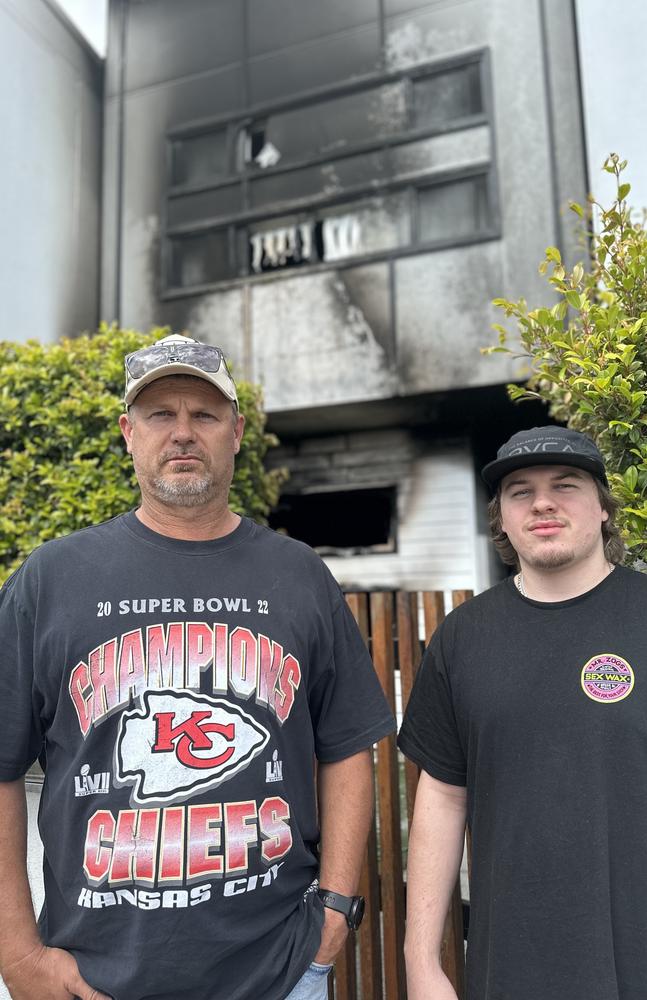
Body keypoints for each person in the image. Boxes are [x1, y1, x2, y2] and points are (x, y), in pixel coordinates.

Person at [0, 334, 394, 1000]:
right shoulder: (52, 580)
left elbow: (348, 747)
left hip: (279, 973)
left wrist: (335, 911)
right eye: (161, 415)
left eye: (205, 415)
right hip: (97, 979)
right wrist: (17, 953)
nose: (183, 433)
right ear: (129, 433)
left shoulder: (298, 577)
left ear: (236, 433)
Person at [398, 425, 647, 1000]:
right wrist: (422, 962)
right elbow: (441, 797)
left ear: (604, 509)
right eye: (520, 491)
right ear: (502, 520)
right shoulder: (463, 637)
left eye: (565, 484)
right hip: (511, 963)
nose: (542, 502)